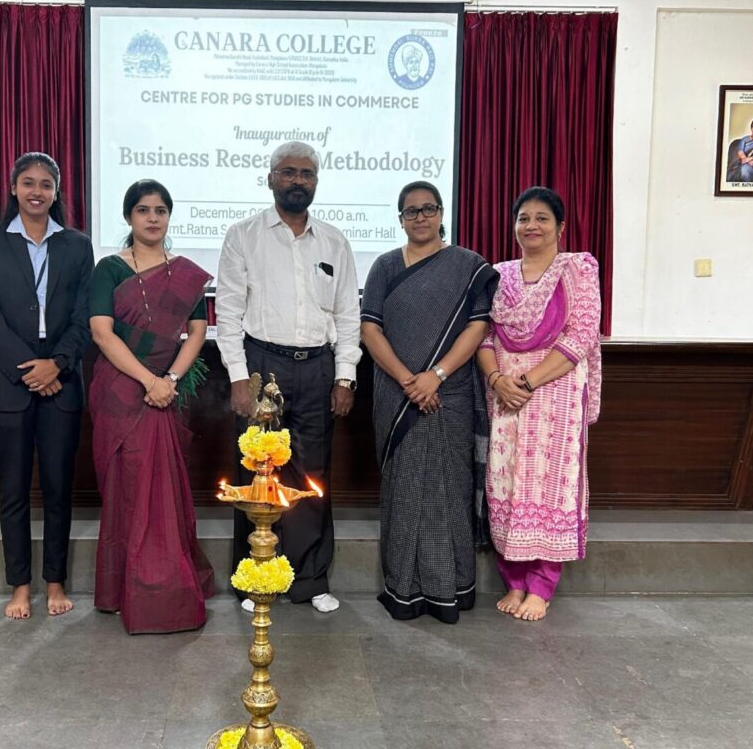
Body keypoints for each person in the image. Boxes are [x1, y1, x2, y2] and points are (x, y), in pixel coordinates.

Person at [216, 141, 361, 614]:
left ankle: (310, 579)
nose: (298, 180)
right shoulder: (244, 236)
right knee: (257, 472)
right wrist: (239, 378)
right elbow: (228, 313)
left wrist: (344, 377)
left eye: (306, 174)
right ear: (271, 179)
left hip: (318, 366)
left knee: (312, 474)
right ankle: (255, 577)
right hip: (263, 364)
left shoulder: (334, 241)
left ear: (316, 182)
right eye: (288, 172)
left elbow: (347, 315)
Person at [361, 181, 498, 624]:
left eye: (428, 209)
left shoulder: (468, 266)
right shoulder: (384, 266)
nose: (420, 217)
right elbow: (370, 329)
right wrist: (409, 380)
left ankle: (450, 589)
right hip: (397, 396)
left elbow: (477, 326)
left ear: (441, 214)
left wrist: (435, 376)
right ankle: (403, 589)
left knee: (448, 489)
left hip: (451, 392)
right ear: (400, 219)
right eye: (411, 211)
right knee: (404, 492)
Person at [0, 152, 94, 619]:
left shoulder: (77, 246)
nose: (36, 191)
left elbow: (84, 315)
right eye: (28, 183)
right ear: (14, 188)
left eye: (45, 184)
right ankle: (20, 586)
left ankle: (55, 581)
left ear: (56, 192)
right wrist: (30, 370)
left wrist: (56, 365)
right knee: (14, 490)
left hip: (62, 379)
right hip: (10, 382)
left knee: (59, 488)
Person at [89, 179, 214, 634]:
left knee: (163, 490)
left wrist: (170, 380)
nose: (153, 218)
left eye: (161, 210)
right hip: (121, 391)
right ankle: (123, 589)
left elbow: (197, 332)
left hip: (165, 390)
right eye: (143, 210)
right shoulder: (109, 269)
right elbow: (102, 333)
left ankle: (166, 588)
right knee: (128, 487)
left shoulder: (184, 273)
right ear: (128, 217)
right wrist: (149, 381)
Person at [477, 186, 601, 622]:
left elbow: (581, 336)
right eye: (523, 218)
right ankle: (514, 580)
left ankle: (542, 585)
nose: (531, 225)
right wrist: (498, 380)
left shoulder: (577, 270)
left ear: (560, 227)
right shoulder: (499, 275)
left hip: (555, 392)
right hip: (505, 394)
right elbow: (484, 336)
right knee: (506, 482)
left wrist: (527, 381)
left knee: (549, 485)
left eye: (542, 218)